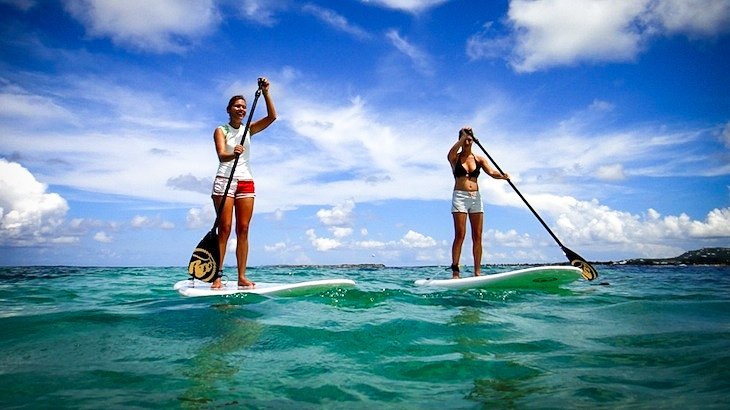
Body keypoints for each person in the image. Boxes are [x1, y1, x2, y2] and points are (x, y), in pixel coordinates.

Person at [211, 78, 277, 289]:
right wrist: (233, 153)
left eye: (244, 107)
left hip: (246, 181)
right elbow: (222, 155)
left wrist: (266, 92)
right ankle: (218, 276)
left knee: (244, 228)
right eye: (237, 106)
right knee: (225, 228)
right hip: (224, 181)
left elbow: (272, 117)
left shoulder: (249, 129)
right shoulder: (221, 130)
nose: (241, 109)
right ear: (229, 109)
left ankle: (241, 277)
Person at [447, 127, 509, 279]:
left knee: (477, 236)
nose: (467, 142)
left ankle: (477, 272)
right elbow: (450, 154)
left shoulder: (479, 159)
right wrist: (463, 136)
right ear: (460, 140)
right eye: (464, 139)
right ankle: (456, 271)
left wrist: (502, 176)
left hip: (476, 198)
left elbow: (492, 172)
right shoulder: (455, 158)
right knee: (460, 235)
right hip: (460, 197)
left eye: (469, 139)